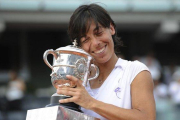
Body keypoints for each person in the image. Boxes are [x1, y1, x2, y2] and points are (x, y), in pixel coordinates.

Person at [57, 3, 156, 120]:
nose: (95, 43)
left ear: (111, 28)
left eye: (98, 33)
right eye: (86, 39)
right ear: (79, 46)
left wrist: (91, 103)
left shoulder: (136, 71)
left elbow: (147, 117)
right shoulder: (77, 82)